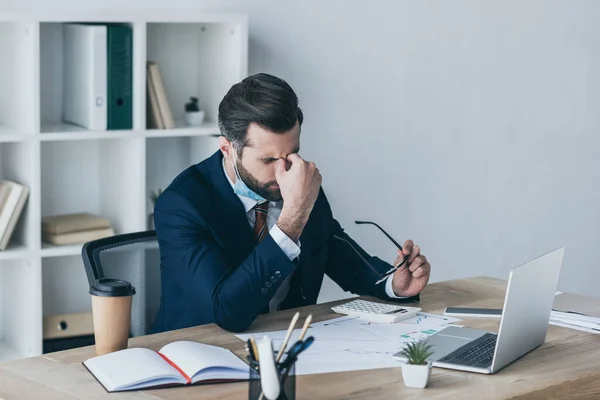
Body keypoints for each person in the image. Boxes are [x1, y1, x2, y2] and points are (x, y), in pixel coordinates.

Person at [152, 73, 431, 333]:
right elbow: (227, 313)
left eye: (292, 153)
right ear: (228, 149)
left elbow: (343, 259)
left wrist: (394, 285)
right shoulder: (181, 205)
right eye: (268, 160)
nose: (284, 170)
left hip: (287, 342)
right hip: (200, 355)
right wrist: (292, 219)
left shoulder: (300, 184)